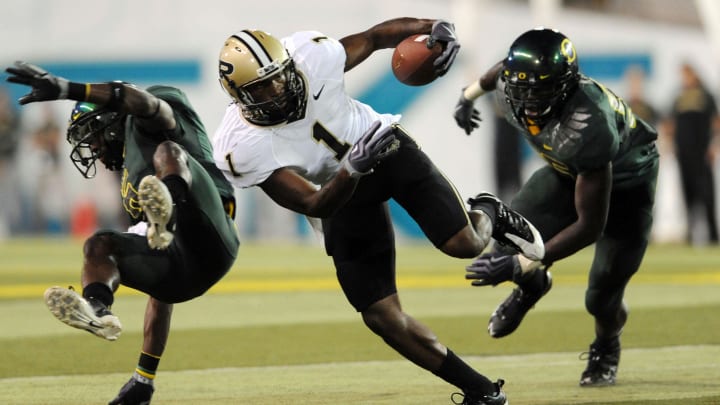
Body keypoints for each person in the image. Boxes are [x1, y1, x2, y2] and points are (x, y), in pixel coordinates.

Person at [211, 18, 545, 405]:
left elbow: (374, 38)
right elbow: (312, 203)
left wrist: (433, 27)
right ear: (240, 96)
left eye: (280, 75)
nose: (279, 88)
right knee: (381, 316)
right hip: (337, 189)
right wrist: (352, 168)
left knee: (465, 243)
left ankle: (489, 210)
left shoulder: (311, 55)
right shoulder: (239, 146)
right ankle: (480, 391)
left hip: (383, 147)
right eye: (262, 86)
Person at [5, 61, 240, 404]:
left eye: (94, 136)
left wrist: (68, 88)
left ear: (112, 122)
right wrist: (143, 378)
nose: (94, 149)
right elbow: (162, 297)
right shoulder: (133, 181)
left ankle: (171, 209)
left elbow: (144, 103)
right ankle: (97, 308)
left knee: (168, 152)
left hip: (211, 234)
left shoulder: (148, 122)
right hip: (182, 269)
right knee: (99, 245)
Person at [453, 28, 658, 387]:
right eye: (523, 86)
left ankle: (607, 346)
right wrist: (467, 97)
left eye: (542, 88)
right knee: (508, 239)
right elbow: (496, 73)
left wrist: (522, 264)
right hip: (567, 173)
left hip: (627, 185)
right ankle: (533, 287)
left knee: (601, 296)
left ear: (567, 84)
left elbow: (589, 227)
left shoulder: (588, 124)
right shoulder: (508, 81)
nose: (530, 98)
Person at [665, 62, 720, 245]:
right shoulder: (679, 97)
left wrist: (714, 145)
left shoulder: (705, 95)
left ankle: (712, 235)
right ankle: (691, 233)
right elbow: (670, 124)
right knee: (688, 195)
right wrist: (670, 144)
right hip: (684, 154)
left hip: (702, 153)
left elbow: (716, 122)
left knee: (706, 194)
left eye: (687, 74)